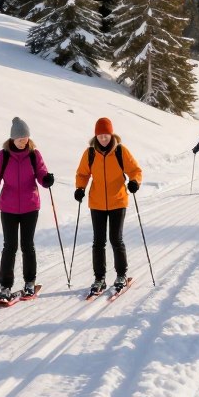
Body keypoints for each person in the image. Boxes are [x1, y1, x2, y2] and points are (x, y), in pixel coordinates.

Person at [0, 117, 55, 301]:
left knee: (27, 245)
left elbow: (41, 172)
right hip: (8, 207)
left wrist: (46, 179)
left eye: (26, 138)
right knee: (9, 246)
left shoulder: (34, 154)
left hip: (30, 205)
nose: (23, 142)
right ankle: (5, 287)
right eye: (20, 139)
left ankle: (29, 283)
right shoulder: (4, 155)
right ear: (12, 139)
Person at [74, 117, 143, 294]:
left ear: (111, 134)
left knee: (115, 239)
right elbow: (82, 174)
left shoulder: (120, 151)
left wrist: (134, 182)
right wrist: (80, 188)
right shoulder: (90, 153)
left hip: (118, 201)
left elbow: (135, 170)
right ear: (96, 135)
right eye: (100, 135)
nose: (103, 138)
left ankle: (121, 274)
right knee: (98, 241)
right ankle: (99, 278)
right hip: (96, 203)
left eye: (106, 135)